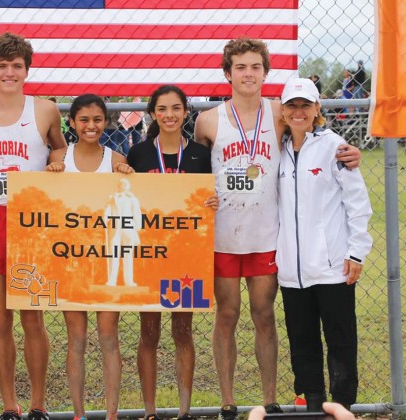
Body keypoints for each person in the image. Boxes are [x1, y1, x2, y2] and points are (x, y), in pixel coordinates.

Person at [194, 37, 362, 420]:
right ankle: (227, 399)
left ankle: (270, 398)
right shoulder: (208, 121)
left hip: (267, 234)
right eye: (240, 67)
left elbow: (314, 133)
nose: (248, 73)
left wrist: (348, 152)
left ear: (266, 73)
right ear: (227, 73)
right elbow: (192, 167)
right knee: (227, 315)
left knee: (264, 314)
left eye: (255, 66)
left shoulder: (279, 115)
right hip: (223, 235)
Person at [0, 32, 66, 420]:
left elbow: (58, 147)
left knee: (31, 313)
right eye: (1, 66)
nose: (9, 72)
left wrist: (53, 168)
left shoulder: (45, 110)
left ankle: (38, 403)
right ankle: (10, 404)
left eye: (16, 65)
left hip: (32, 220)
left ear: (26, 69)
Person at [277, 78, 372, 412]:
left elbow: (358, 205)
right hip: (292, 270)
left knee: (340, 339)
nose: (299, 112)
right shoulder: (279, 149)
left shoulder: (336, 148)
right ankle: (313, 403)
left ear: (317, 109)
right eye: (292, 105)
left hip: (333, 267)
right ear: (283, 110)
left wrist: (356, 252)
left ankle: (343, 404)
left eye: (305, 105)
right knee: (302, 341)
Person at [127, 85, 218, 420]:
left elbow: (209, 198)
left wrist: (213, 202)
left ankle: (184, 411)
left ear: (185, 113)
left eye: (176, 108)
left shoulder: (200, 154)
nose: (169, 115)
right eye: (162, 109)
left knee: (183, 331)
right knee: (148, 332)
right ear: (153, 113)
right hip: (149, 255)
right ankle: (149, 411)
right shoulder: (137, 154)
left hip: (187, 256)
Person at [46, 93, 133, 420]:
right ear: (71, 123)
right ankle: (79, 413)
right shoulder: (58, 156)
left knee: (109, 336)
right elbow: (44, 206)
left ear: (105, 121)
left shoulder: (115, 159)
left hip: (107, 258)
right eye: (84, 120)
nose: (91, 126)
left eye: (97, 119)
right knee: (77, 338)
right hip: (70, 261)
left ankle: (111, 413)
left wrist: (128, 174)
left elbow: (132, 203)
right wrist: (50, 174)